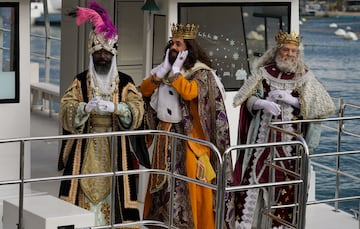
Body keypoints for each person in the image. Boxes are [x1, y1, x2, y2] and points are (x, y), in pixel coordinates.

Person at [232, 30, 336, 229]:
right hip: (261, 143)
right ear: (277, 51)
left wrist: (295, 101)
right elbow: (244, 100)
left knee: (285, 187)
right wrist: (261, 103)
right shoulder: (263, 73)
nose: (289, 54)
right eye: (285, 50)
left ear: (298, 54)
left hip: (289, 147)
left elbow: (322, 106)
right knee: (252, 182)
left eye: (293, 51)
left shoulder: (305, 76)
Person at [57, 2, 144, 227]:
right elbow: (65, 108)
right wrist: (83, 108)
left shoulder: (125, 82)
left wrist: (117, 108)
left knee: (117, 190)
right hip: (86, 146)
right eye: (99, 52)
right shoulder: (80, 80)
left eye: (107, 52)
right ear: (92, 53)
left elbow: (138, 109)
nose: (103, 57)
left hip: (116, 146)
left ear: (113, 54)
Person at [140, 23, 234, 229]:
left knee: (192, 187)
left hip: (190, 139)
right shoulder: (163, 70)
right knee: (162, 187)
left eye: (179, 44)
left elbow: (191, 93)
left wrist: (175, 74)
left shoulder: (202, 73)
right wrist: (164, 70)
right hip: (165, 135)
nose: (174, 48)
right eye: (172, 43)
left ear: (188, 48)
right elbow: (144, 91)